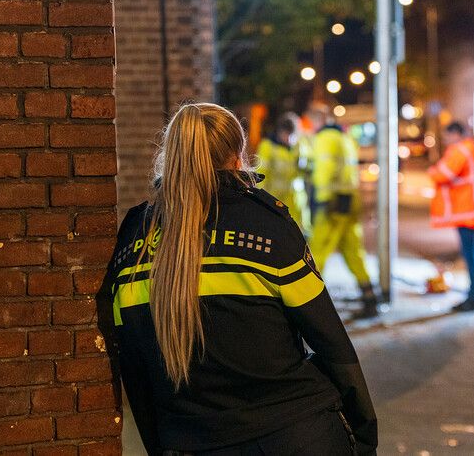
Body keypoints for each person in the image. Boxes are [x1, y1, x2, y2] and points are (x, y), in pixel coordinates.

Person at [96, 103, 377, 455]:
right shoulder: (265, 225)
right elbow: (331, 341)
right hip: (296, 434)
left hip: (192, 442)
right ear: (237, 155)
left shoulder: (132, 241)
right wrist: (364, 435)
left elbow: (134, 368)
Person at [309, 114, 378, 319]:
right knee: (353, 251)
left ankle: (310, 305)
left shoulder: (324, 139)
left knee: (318, 253)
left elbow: (324, 170)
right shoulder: (346, 138)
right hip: (350, 201)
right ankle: (369, 297)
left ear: (318, 121)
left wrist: (320, 199)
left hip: (331, 203)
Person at [428, 122, 474, 312]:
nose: (446, 141)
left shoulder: (460, 150)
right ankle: (473, 295)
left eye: (447, 136)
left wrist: (432, 171)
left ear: (456, 133)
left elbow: (443, 174)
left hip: (468, 211)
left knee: (470, 255)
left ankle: (472, 297)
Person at [256, 112, 310, 231]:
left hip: (296, 202)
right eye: (287, 134)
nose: (289, 139)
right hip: (274, 203)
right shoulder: (268, 147)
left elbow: (307, 169)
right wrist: (260, 201)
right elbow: (261, 176)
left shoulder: (300, 146)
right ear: (279, 131)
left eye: (292, 135)